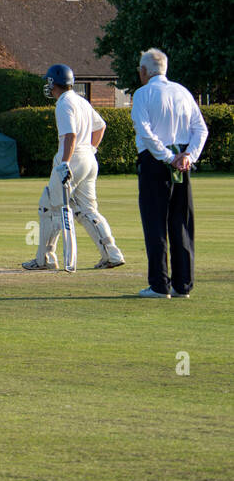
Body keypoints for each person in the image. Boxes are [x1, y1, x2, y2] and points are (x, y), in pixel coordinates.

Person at [21, 64, 125, 271]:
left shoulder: (64, 103)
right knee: (87, 210)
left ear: (53, 83)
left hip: (71, 160)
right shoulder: (81, 101)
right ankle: (112, 254)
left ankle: (46, 260)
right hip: (88, 159)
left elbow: (70, 135)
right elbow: (101, 126)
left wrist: (66, 163)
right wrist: (91, 150)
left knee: (49, 207)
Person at [130, 48, 207, 299]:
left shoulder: (142, 94)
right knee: (181, 222)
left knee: (155, 223)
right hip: (182, 163)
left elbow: (145, 132)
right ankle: (183, 284)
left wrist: (168, 157)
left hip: (157, 162)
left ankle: (159, 285)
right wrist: (188, 156)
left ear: (144, 71)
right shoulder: (183, 92)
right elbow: (200, 130)